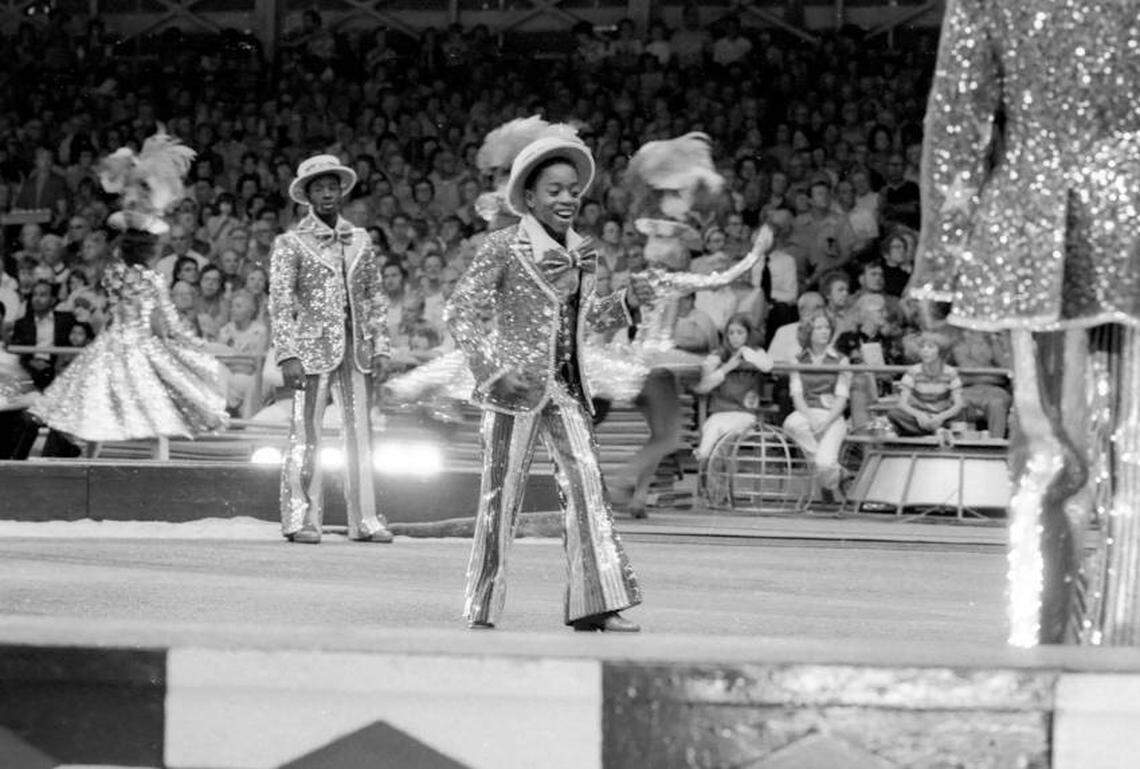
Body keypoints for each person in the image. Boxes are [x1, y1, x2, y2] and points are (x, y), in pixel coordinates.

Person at [912, 0, 1140, 645]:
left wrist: (944, 259)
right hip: (1090, 219)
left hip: (1039, 230)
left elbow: (959, 118)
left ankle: (1046, 662)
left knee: (1047, 461)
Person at [445, 134, 653, 632]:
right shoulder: (501, 246)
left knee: (588, 489)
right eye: (555, 190)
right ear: (530, 198)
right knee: (501, 498)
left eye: (573, 190)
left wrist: (627, 303)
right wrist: (495, 369)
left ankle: (595, 604)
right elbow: (462, 313)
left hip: (566, 389)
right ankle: (482, 605)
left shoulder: (584, 252)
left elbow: (582, 321)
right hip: (511, 392)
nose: (566, 198)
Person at [269, 154, 394, 545]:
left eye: (332, 186)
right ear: (306, 195)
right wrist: (287, 353)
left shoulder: (360, 238)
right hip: (310, 351)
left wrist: (381, 346)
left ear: (342, 191)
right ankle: (301, 518)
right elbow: (279, 301)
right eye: (319, 187)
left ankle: (365, 519)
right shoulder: (291, 243)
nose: (327, 193)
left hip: (356, 349)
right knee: (306, 436)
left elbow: (375, 297)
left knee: (361, 437)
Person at [782, 310, 851, 501]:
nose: (824, 331)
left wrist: (827, 422)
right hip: (807, 413)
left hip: (832, 415)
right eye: (819, 327)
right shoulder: (797, 359)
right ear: (808, 332)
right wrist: (811, 419)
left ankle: (828, 479)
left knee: (824, 464)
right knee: (791, 424)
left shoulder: (841, 360)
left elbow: (842, 398)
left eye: (827, 327)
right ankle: (839, 473)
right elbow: (797, 396)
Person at [693, 314, 773, 461]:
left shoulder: (756, 352)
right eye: (731, 333)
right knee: (712, 426)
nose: (735, 337)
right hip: (720, 411)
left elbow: (767, 366)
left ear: (748, 334)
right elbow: (703, 386)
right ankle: (704, 456)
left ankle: (707, 462)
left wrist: (745, 351)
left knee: (723, 432)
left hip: (745, 413)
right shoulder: (718, 355)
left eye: (740, 332)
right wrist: (726, 368)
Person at [887, 331, 965, 437]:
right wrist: (920, 415)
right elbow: (902, 403)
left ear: (940, 351)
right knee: (894, 414)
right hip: (918, 416)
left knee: (961, 414)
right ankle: (935, 431)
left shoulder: (950, 372)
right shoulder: (913, 371)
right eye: (922, 347)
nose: (925, 350)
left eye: (930, 347)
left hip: (942, 416)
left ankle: (931, 431)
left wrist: (940, 417)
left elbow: (958, 404)